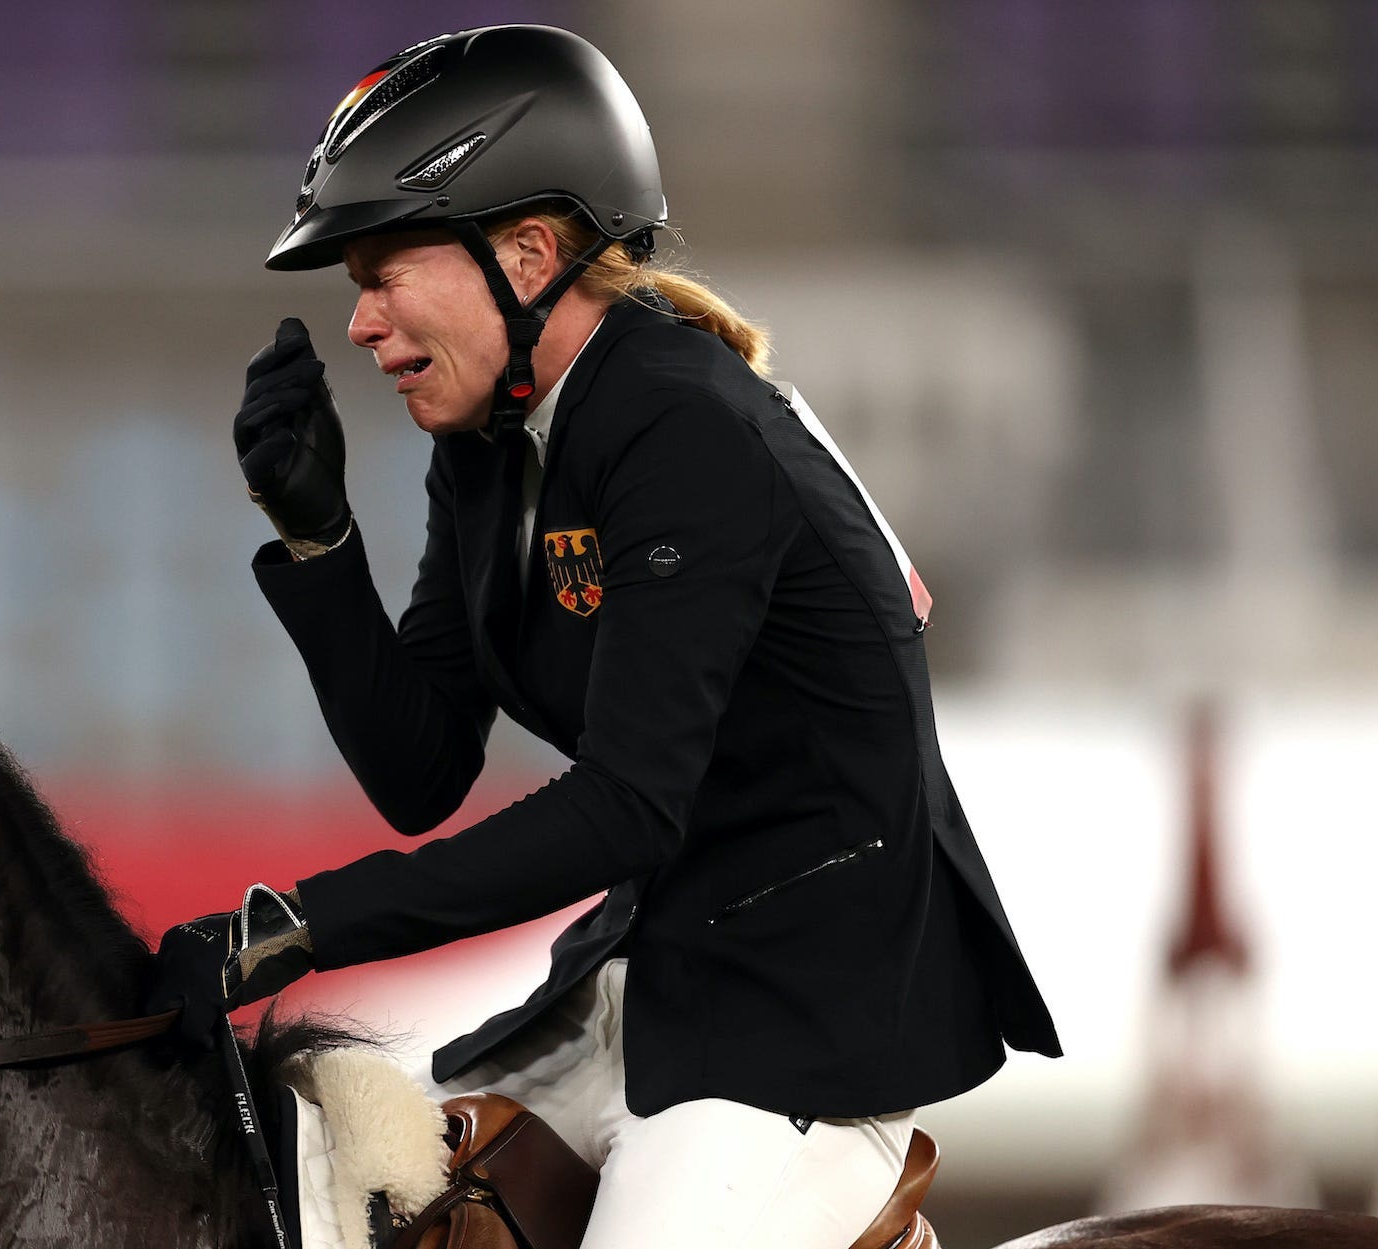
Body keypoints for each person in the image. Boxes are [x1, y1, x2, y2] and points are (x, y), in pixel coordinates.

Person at [146, 23, 1062, 1249]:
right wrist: (320, 545)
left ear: (527, 255)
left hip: (800, 1034)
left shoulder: (684, 427)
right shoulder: (485, 447)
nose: (361, 325)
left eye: (380, 273)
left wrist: (296, 928)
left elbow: (628, 804)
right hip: (646, 979)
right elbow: (421, 773)